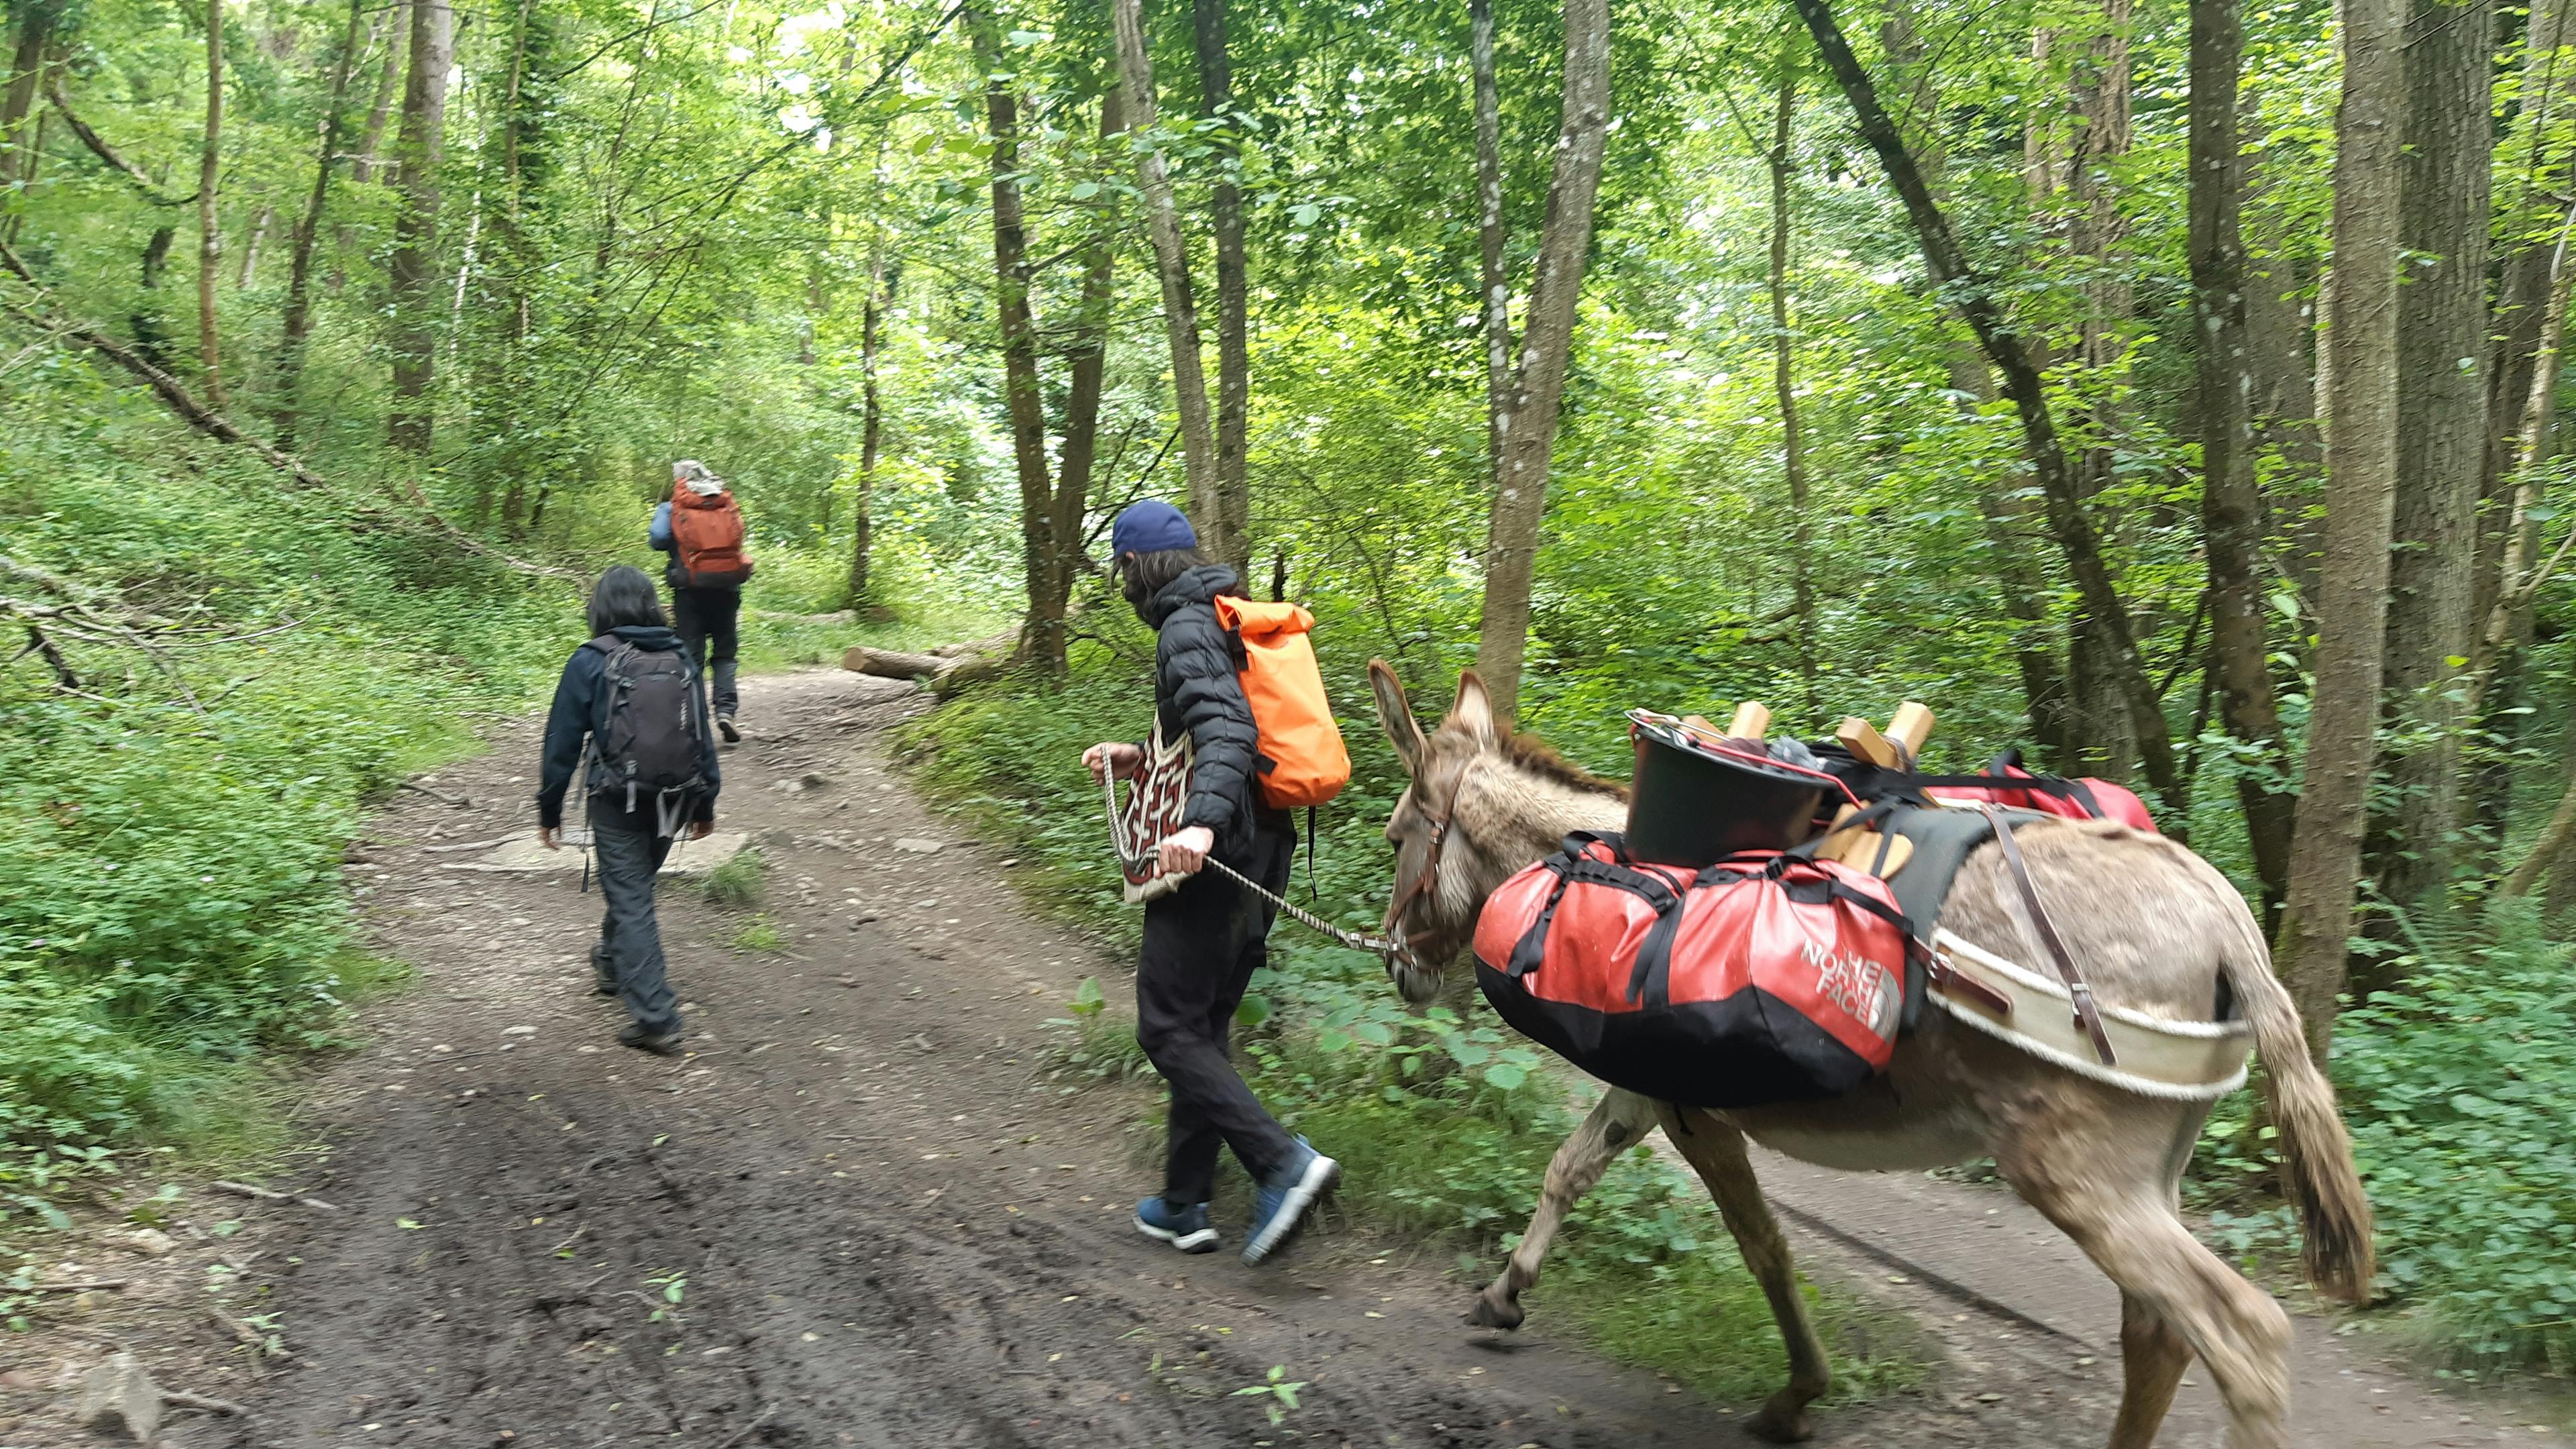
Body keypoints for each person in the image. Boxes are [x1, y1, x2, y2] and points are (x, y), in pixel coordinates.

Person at [1083, 500, 1340, 1266]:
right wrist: (1141, 753)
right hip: (1262, 846)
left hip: (1218, 853)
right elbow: (1212, 728)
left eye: (1118, 571)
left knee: (1165, 1028)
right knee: (1201, 1027)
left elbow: (1231, 732)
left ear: (1132, 567)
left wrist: (1195, 825)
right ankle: (1183, 1203)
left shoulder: (1185, 628)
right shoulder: (1216, 616)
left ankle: (1281, 1164)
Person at [535, 566, 722, 1054]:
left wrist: (549, 808)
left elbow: (561, 741)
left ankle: (657, 1017)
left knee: (632, 896)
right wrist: (706, 803)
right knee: (634, 887)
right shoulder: (679, 655)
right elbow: (700, 735)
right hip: (676, 796)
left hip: (618, 798)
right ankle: (612, 961)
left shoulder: (590, 660)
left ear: (600, 609)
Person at [650, 460, 752, 743]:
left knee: (690, 655)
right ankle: (726, 712)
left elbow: (658, 539)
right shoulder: (724, 503)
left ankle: (694, 718)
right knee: (725, 653)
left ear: (679, 480)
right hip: (727, 588)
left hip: (689, 590)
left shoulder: (673, 508)